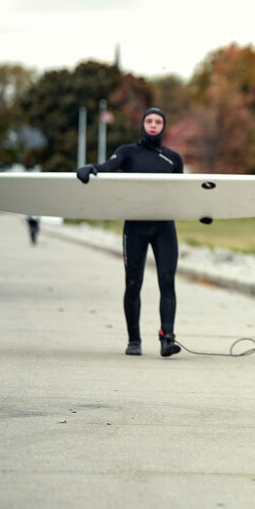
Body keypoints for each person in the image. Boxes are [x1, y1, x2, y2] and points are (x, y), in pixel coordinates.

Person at [76, 108, 185, 357]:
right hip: (135, 226)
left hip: (164, 226)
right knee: (133, 282)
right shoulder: (128, 152)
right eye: (149, 121)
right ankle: (133, 340)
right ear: (143, 124)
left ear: (163, 126)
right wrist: (90, 168)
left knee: (167, 282)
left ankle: (167, 338)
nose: (154, 125)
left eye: (159, 121)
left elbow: (181, 193)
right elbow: (107, 167)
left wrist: (204, 211)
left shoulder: (174, 158)